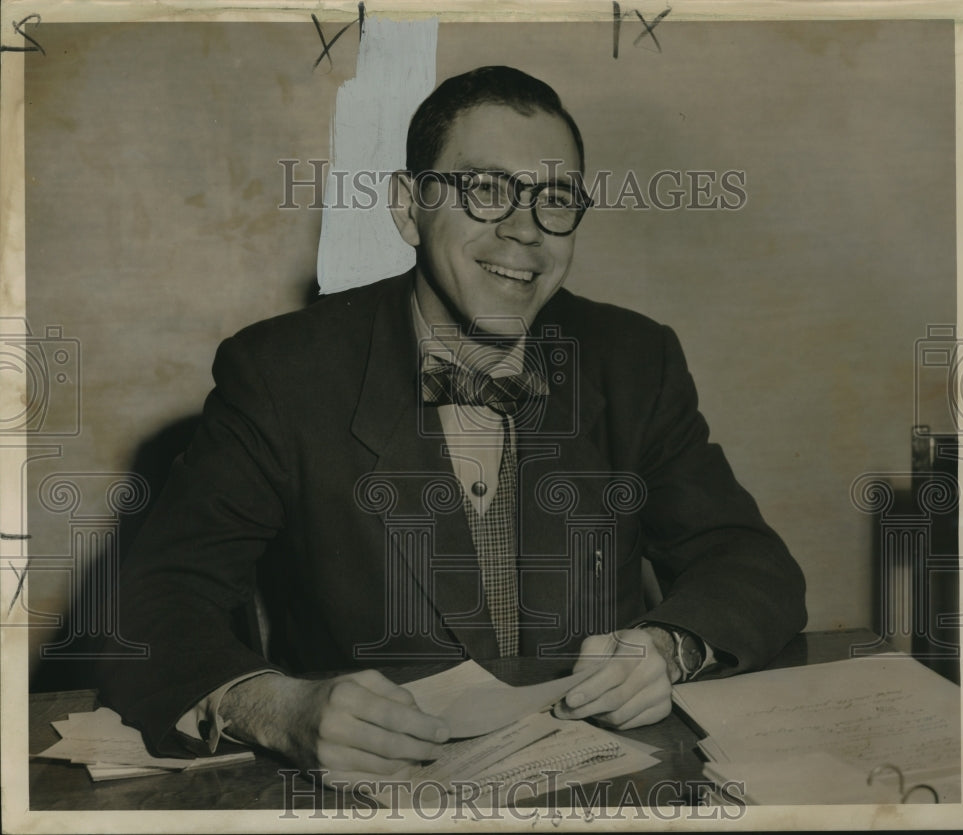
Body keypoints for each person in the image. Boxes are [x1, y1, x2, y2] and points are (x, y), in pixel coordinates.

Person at [99, 66, 806, 788]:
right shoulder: (282, 373)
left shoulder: (633, 358)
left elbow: (751, 563)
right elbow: (151, 605)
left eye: (554, 199)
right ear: (409, 209)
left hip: (612, 785)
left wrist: (668, 645)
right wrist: (278, 707)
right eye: (486, 190)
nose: (524, 229)